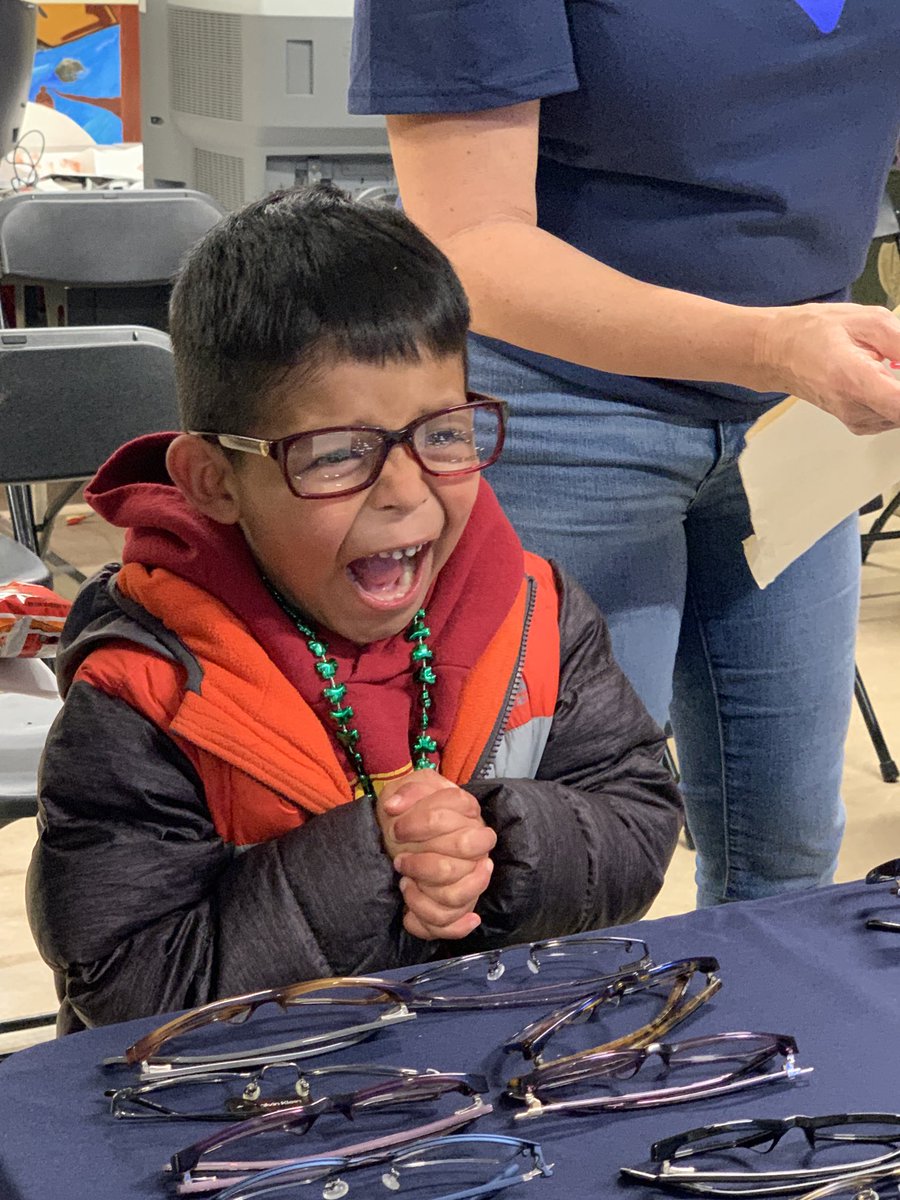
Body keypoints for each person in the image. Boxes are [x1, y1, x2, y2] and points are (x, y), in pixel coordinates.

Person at [26, 185, 682, 1033]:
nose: (406, 493)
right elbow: (125, 984)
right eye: (338, 454)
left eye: (444, 433)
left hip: (489, 1070)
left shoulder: (536, 615)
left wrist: (499, 840)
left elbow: (635, 812)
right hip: (235, 1115)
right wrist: (379, 860)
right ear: (214, 481)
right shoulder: (148, 689)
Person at [348, 3, 900, 906]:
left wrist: (802, 353)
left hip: (805, 407)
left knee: (791, 859)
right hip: (564, 411)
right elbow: (469, 242)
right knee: (553, 870)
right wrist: (773, 346)